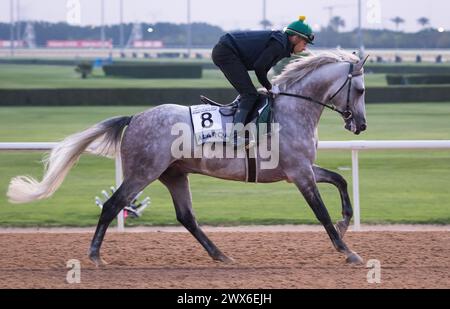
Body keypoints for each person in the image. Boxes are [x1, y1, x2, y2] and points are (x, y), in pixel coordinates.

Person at [212, 16, 315, 126]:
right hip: (226, 52)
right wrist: (270, 87)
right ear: (295, 38)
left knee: (250, 94)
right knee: (249, 94)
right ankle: (236, 135)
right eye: (305, 43)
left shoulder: (281, 43)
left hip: (227, 50)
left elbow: (262, 69)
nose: (305, 48)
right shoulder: (279, 45)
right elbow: (259, 67)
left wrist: (269, 87)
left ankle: (242, 123)